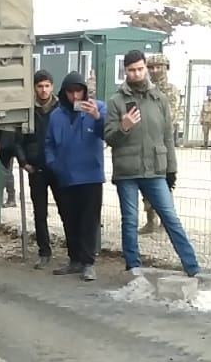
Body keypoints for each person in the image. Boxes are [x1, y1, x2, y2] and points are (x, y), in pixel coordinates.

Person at [104, 51, 201, 278]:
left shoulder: (159, 98)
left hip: (155, 169)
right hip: (127, 171)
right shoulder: (116, 101)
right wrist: (124, 126)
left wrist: (171, 169)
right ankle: (133, 266)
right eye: (131, 70)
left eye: (140, 68)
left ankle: (192, 267)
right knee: (130, 220)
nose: (136, 73)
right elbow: (109, 137)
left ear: (145, 68)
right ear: (125, 72)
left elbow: (168, 137)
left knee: (170, 217)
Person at [44, 72, 106, 281]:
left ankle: (88, 262)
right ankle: (75, 260)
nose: (75, 96)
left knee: (89, 221)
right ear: (64, 93)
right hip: (65, 176)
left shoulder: (98, 108)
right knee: (69, 219)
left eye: (78, 91)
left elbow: (108, 133)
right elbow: (49, 143)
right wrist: (54, 164)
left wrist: (97, 117)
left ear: (85, 92)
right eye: (70, 92)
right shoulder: (56, 116)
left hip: (91, 175)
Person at [17, 70, 60, 269]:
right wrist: (23, 161)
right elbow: (18, 140)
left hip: (58, 170)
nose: (43, 90)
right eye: (39, 86)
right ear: (34, 88)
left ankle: (75, 254)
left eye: (46, 86)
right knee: (40, 213)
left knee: (66, 211)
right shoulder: (27, 111)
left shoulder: (60, 109)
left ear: (52, 86)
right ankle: (44, 252)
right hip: (36, 170)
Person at [142, 53, 182, 235]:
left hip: (163, 145)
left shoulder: (171, 91)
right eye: (151, 67)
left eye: (159, 67)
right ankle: (150, 220)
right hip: (143, 143)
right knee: (144, 180)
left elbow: (169, 118)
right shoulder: (143, 89)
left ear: (166, 68)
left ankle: (165, 223)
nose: (155, 71)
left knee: (164, 183)